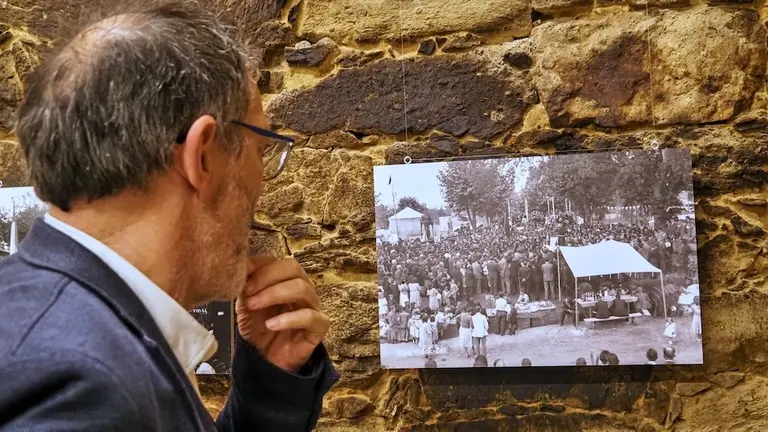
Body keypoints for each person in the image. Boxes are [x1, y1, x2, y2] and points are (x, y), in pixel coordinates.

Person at [0, 4, 338, 430]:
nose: (263, 182)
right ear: (201, 156)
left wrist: (271, 386)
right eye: (260, 148)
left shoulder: (80, 322)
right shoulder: (81, 380)